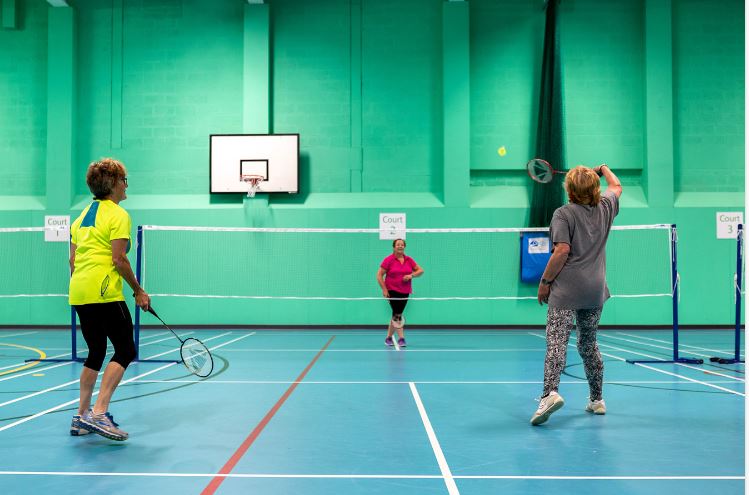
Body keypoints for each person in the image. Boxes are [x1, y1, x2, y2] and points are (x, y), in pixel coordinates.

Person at [530, 164, 622, 426]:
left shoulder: (563, 214)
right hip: (595, 290)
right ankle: (597, 399)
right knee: (588, 344)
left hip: (567, 290)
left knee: (556, 343)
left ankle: (549, 394)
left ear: (569, 190)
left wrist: (545, 281)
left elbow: (561, 251)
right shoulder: (605, 207)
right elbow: (617, 186)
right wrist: (603, 168)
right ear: (595, 188)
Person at [68, 158, 151, 441]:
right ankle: (100, 413)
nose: (126, 185)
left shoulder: (80, 218)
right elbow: (119, 259)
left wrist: (84, 287)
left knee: (96, 351)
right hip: (104, 292)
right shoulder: (118, 215)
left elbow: (72, 260)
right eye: (124, 179)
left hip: (79, 290)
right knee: (126, 350)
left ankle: (81, 417)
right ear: (114, 183)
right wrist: (138, 290)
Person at [376, 239, 424, 347]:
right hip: (392, 290)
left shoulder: (408, 260)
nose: (400, 246)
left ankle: (388, 338)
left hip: (405, 291)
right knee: (397, 314)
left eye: (402, 245)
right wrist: (384, 289)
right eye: (398, 245)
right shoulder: (388, 260)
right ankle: (402, 338)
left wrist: (411, 275)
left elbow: (420, 271)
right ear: (394, 247)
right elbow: (379, 275)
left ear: (404, 247)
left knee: (396, 314)